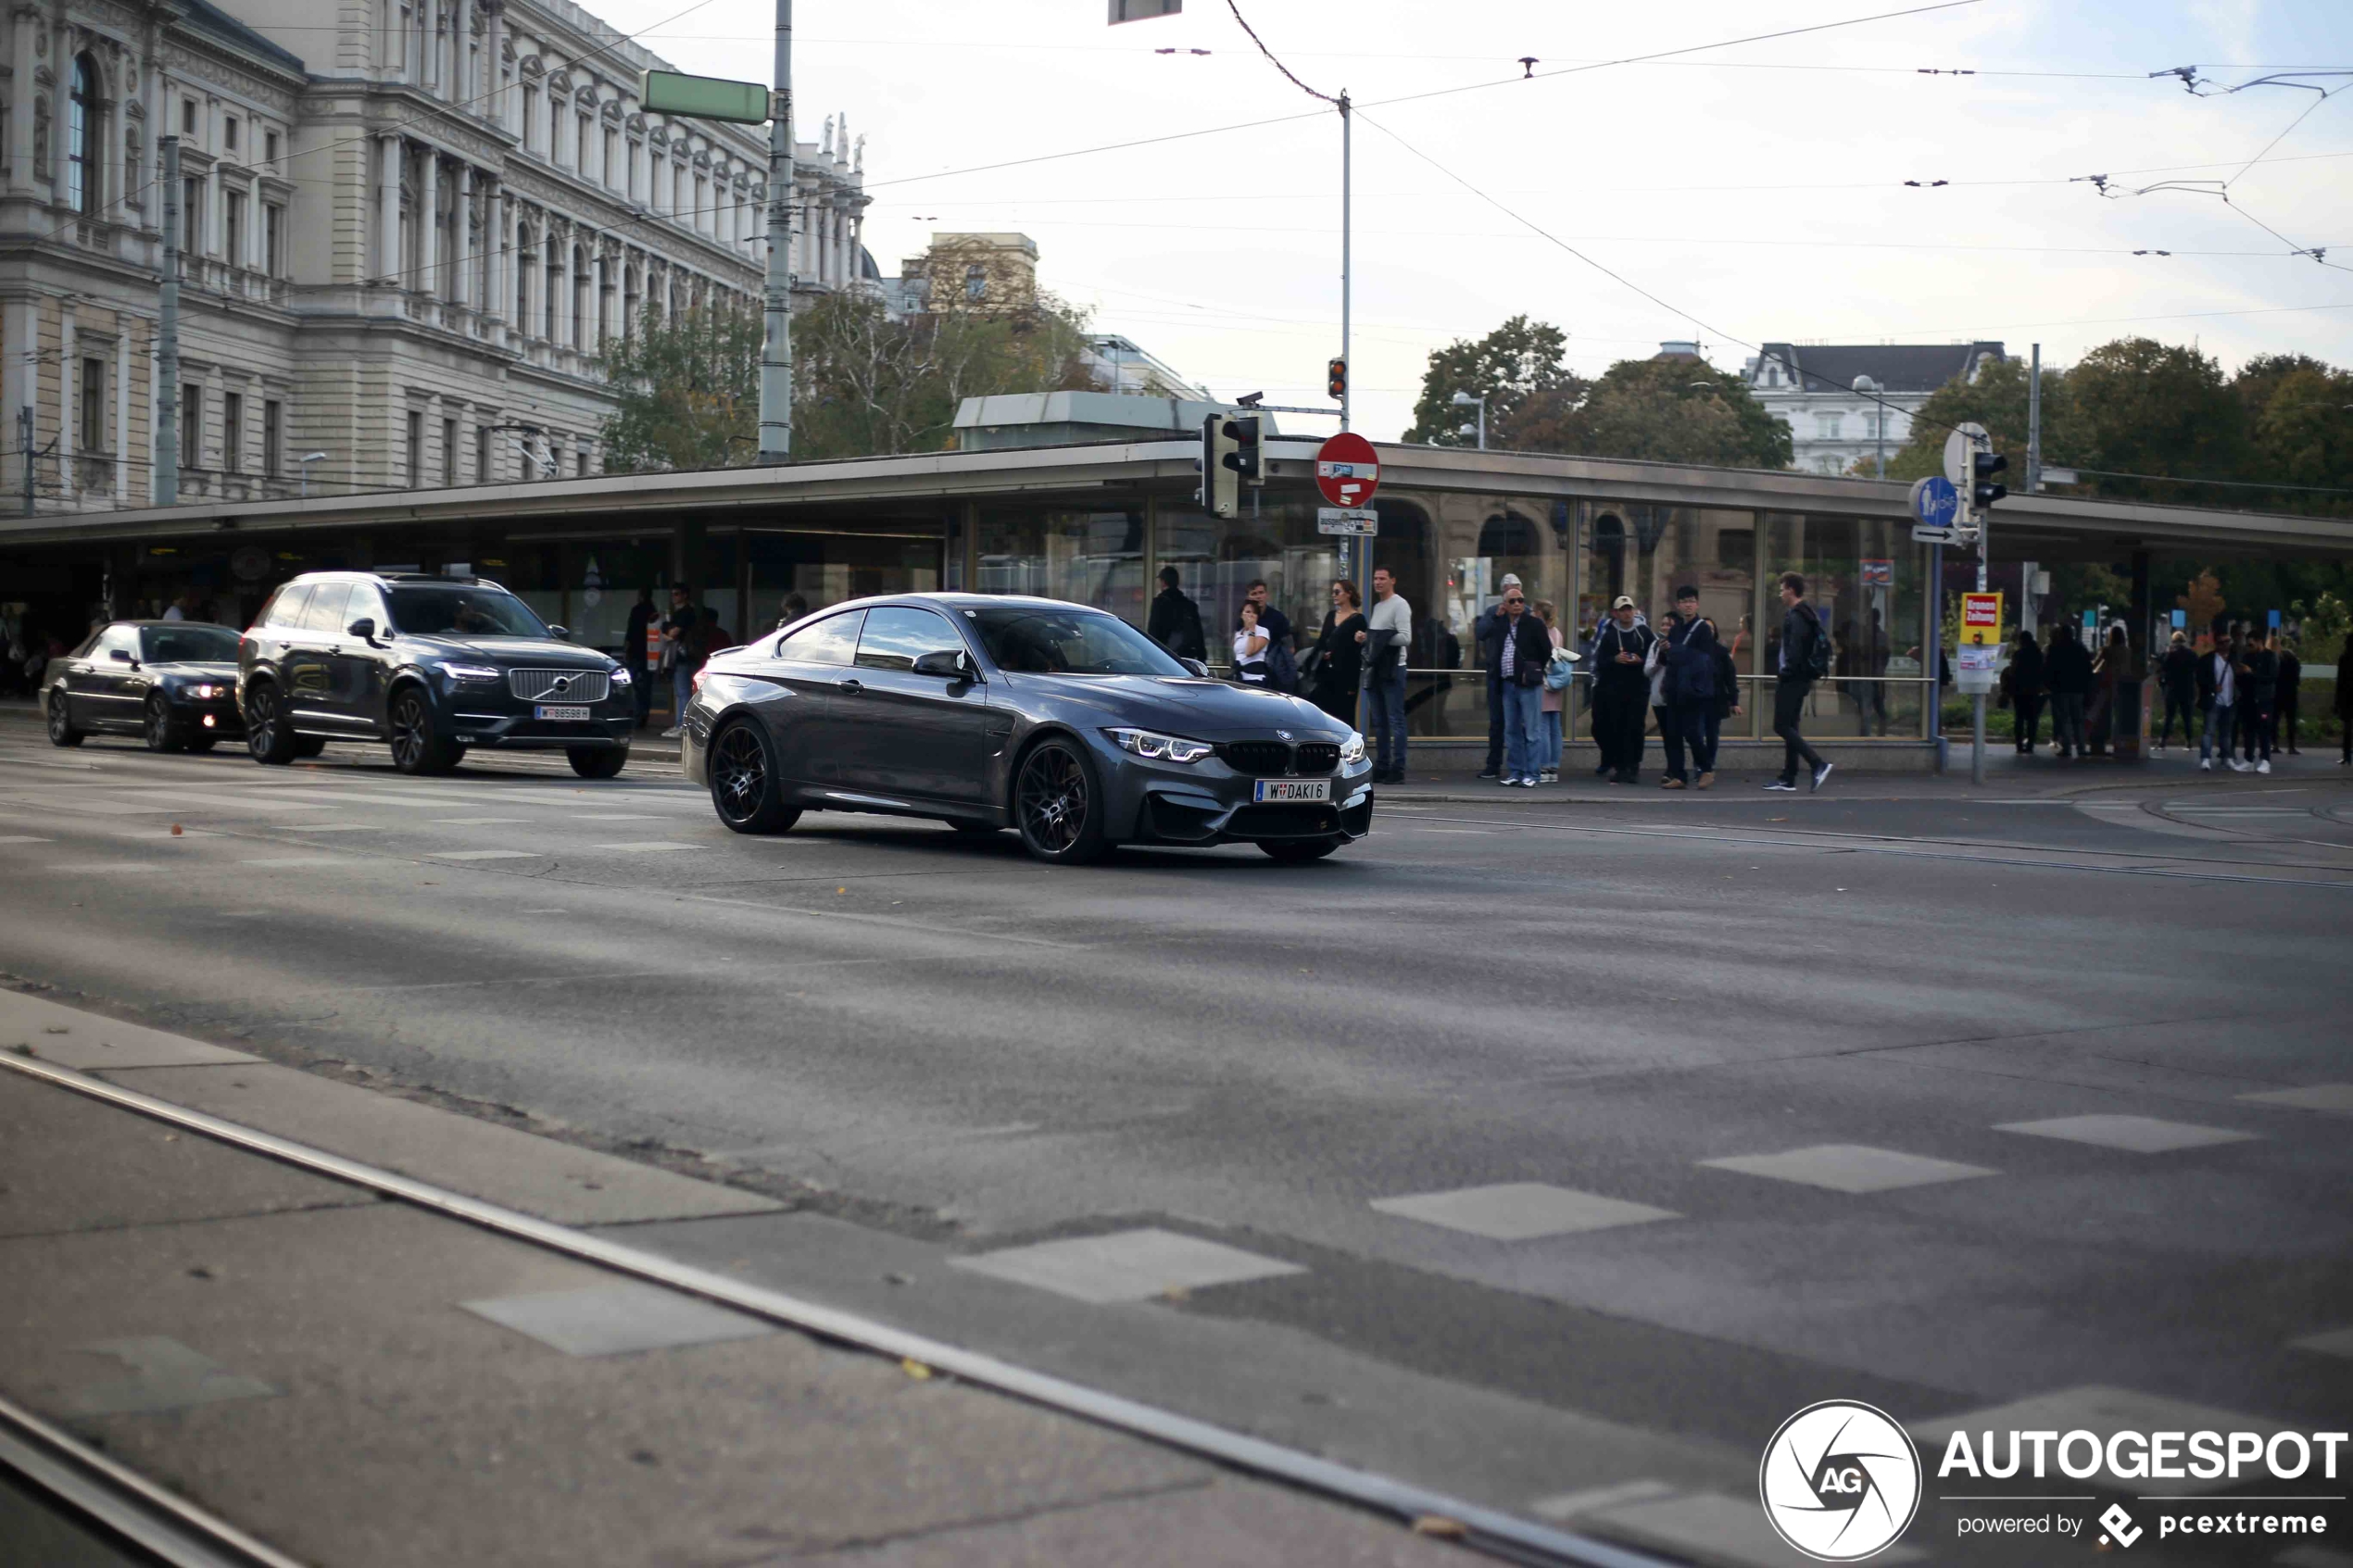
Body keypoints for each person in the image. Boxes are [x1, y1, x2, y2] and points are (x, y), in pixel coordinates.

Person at [1768, 572, 1832, 793]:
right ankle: (1788, 777)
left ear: (1791, 591)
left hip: (1793, 678)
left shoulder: (1797, 616)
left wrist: (1786, 672)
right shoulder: (1808, 614)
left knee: (1781, 725)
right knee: (1791, 726)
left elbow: (1795, 651)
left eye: (1782, 589)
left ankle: (1817, 764)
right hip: (1801, 678)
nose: (1780, 593)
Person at [1488, 582, 1551, 786]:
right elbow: (1483, 634)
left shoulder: (1534, 624)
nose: (1517, 604)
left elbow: (1546, 651)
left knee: (1532, 731)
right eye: (1512, 601)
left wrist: (1532, 670)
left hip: (1528, 684)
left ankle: (1532, 774)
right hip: (1507, 684)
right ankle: (1516, 771)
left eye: (1521, 600)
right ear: (1504, 605)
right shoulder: (1501, 624)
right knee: (1511, 731)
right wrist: (1496, 616)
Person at [1589, 595, 1655, 785]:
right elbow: (1600, 662)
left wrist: (1640, 660)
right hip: (1614, 690)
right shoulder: (1609, 634)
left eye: (1629, 609)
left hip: (1638, 689)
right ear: (1615, 613)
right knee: (1614, 727)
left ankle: (1633, 766)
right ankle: (1618, 765)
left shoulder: (1644, 632)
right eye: (1622, 610)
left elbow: (1654, 655)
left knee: (1635, 728)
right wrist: (1615, 660)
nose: (1627, 613)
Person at [1663, 585, 1721, 789]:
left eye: (1691, 601)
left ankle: (1706, 769)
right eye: (1684, 602)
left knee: (1692, 733)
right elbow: (1668, 659)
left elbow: (1704, 658)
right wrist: (1665, 651)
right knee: (1673, 734)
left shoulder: (1702, 629)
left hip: (1693, 690)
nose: (1688, 605)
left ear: (1697, 604)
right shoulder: (1676, 628)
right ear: (1678, 605)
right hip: (1674, 687)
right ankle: (1678, 775)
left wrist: (1676, 650)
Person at [1359, 565, 1412, 784]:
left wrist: (1376, 637)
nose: (1378, 582)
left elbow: (1405, 637)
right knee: (1379, 722)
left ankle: (1398, 767)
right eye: (1375, 578)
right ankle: (1382, 765)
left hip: (1394, 669)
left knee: (1395, 719)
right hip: (1377, 668)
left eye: (1382, 578)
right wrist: (1368, 639)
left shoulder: (1399, 605)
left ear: (1393, 580)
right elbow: (1376, 638)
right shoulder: (1378, 606)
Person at [1472, 572, 1523, 778]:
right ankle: (1493, 765)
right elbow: (1480, 633)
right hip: (1496, 675)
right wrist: (1496, 616)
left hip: (1518, 677)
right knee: (1497, 722)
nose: (1515, 600)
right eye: (1510, 594)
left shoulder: (1525, 613)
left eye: (1518, 594)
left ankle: (1519, 767)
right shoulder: (1493, 611)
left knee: (1518, 723)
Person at [1310, 579, 1365, 725]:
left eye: (1337, 592)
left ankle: (1348, 748)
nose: (1333, 595)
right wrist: (1323, 654)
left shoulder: (1358, 620)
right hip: (1326, 674)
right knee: (1324, 716)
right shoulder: (1330, 615)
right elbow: (1321, 642)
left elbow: (1358, 653)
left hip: (1346, 677)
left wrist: (1361, 640)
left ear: (1348, 594)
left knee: (1344, 718)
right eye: (1332, 592)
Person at [1646, 610, 1685, 787]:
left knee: (1675, 735)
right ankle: (1672, 770)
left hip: (1675, 697)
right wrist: (1659, 658)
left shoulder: (1682, 644)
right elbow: (1647, 671)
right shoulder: (1655, 645)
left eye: (1669, 624)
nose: (1665, 628)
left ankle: (1675, 771)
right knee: (1667, 736)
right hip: (1658, 698)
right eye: (1663, 624)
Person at [2045, 623, 2093, 760]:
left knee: (2064, 719)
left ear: (2060, 634)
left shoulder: (2055, 649)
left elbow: (2048, 669)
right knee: (2078, 720)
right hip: (2078, 689)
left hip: (2060, 689)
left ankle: (2067, 748)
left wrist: (2050, 686)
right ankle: (2081, 748)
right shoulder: (2080, 649)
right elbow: (2087, 670)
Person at [1239, 579, 1295, 691]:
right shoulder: (1243, 619)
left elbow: (1290, 647)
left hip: (1271, 673)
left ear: (1267, 595)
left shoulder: (1278, 618)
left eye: (1261, 593)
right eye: (1254, 594)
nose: (1258, 596)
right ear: (1248, 598)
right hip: (1246, 672)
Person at [1534, 599, 1567, 785]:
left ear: (1539, 614)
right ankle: (1554, 766)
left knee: (1544, 726)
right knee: (1556, 727)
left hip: (1544, 682)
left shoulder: (1541, 633)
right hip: (1557, 682)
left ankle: (1544, 766)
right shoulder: (1557, 633)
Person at [660, 586, 699, 738]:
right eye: (672, 594)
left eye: (676, 594)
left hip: (685, 657)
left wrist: (668, 632)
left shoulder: (686, 613)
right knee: (680, 692)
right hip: (682, 657)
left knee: (683, 693)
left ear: (684, 595)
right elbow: (668, 633)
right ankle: (679, 724)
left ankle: (682, 725)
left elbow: (672, 634)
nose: (674, 597)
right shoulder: (679, 614)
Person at [2237, 625, 2277, 774]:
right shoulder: (2247, 657)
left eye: (2252, 644)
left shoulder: (2270, 656)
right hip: (2248, 698)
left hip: (2264, 699)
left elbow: (2272, 677)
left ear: (2259, 642)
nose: (2249, 647)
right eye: (2248, 644)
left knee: (2264, 730)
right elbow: (2241, 680)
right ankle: (2248, 760)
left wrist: (2251, 673)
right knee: (2248, 730)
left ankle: (2265, 761)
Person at [1147, 565, 1207, 663]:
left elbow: (1153, 631)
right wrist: (1202, 658)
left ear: (1163, 582)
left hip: (1165, 656)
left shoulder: (1159, 603)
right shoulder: (1189, 605)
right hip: (1187, 656)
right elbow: (1198, 633)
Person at [2196, 631, 2237, 771]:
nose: (2225, 645)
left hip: (2230, 701)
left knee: (2227, 733)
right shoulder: (2208, 660)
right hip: (2214, 700)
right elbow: (2200, 678)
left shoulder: (2234, 659)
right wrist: (2212, 687)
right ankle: (2205, 758)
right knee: (2209, 731)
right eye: (2222, 642)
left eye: (2228, 642)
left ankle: (2226, 758)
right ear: (2216, 644)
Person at [2003, 627, 2047, 755]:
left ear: (2021, 641)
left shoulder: (2018, 654)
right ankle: (2030, 745)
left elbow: (2013, 671)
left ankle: (2019, 745)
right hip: (2034, 690)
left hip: (2019, 691)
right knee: (2033, 719)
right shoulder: (2038, 654)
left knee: (2020, 718)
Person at [2155, 630, 2196, 751]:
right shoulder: (2191, 654)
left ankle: (2162, 741)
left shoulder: (2171, 654)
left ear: (2174, 641)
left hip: (2172, 688)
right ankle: (2189, 742)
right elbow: (2196, 669)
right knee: (2187, 717)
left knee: (2169, 716)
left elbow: (2163, 667)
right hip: (2187, 688)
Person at [624, 587, 658, 730]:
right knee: (646, 685)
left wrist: (626, 648)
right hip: (649, 651)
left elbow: (631, 631)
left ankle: (636, 714)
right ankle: (644, 714)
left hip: (636, 652)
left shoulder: (637, 610)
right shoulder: (653, 610)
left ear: (641, 596)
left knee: (633, 684)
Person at [1232, 601, 1271, 685]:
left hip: (1254, 678)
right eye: (1248, 612)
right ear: (1242, 615)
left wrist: (1252, 629)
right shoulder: (1238, 633)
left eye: (1254, 613)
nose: (1251, 615)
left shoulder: (1263, 631)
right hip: (1239, 678)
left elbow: (1249, 652)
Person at [2277, 636, 2302, 755]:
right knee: (2291, 721)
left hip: (2278, 693)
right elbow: (2297, 679)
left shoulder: (2278, 660)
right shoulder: (2295, 661)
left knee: (2275, 720)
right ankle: (2291, 746)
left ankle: (2274, 744)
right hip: (2291, 694)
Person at [2336, 638, 2353, 766]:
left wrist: (2337, 701)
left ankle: (2346, 755)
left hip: (2347, 697)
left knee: (2347, 728)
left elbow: (2340, 681)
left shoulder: (2344, 658)